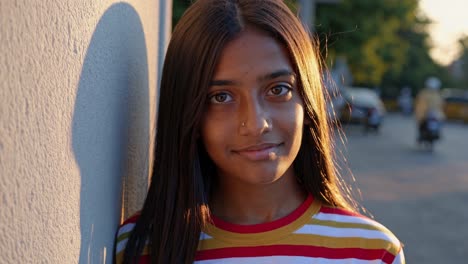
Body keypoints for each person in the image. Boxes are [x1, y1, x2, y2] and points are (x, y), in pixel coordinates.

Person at [114, 0, 405, 263]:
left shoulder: (371, 254)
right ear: (189, 114)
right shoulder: (141, 248)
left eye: (278, 89)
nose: (255, 123)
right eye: (221, 97)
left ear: (308, 101)